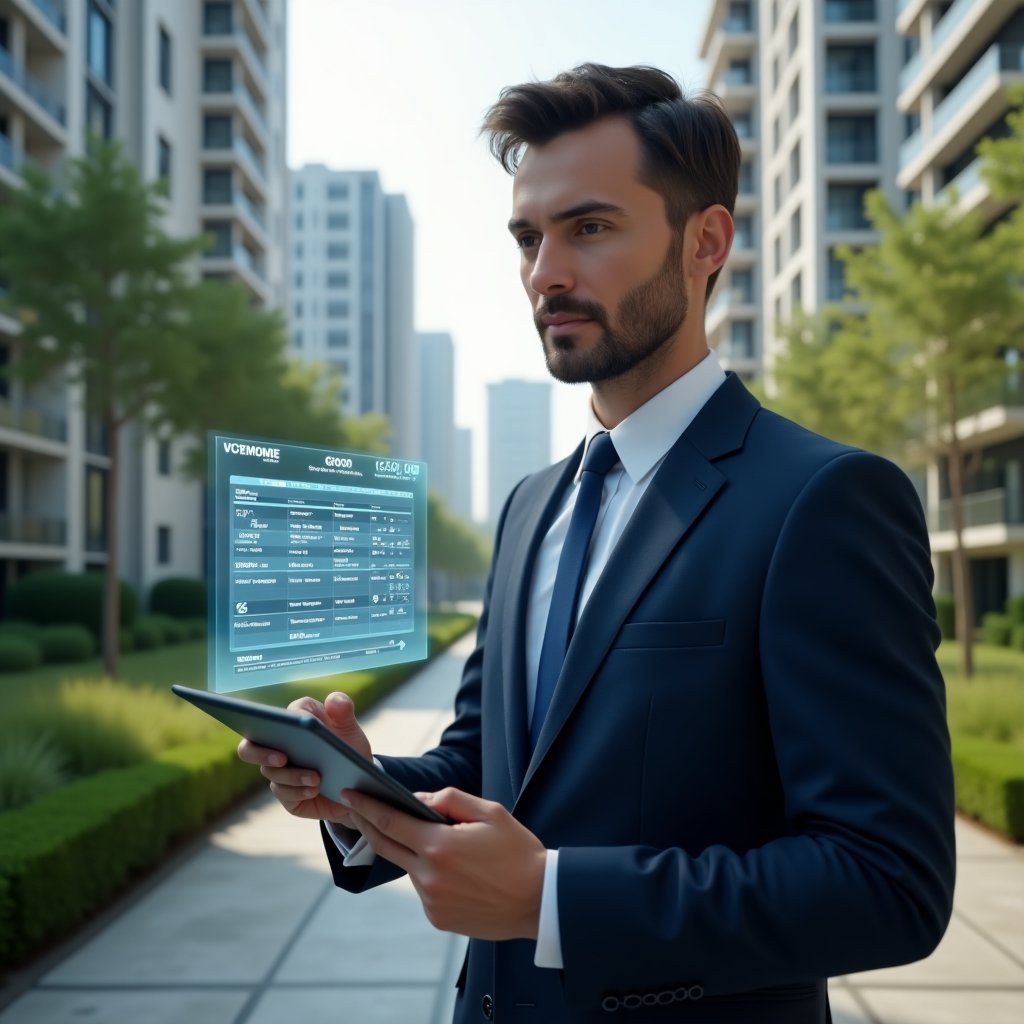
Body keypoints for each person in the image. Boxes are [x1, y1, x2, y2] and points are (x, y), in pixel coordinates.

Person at [239, 63, 955, 1023]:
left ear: (706, 242)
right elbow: (487, 767)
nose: (546, 274)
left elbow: (887, 880)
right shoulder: (531, 507)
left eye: (590, 228)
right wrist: (358, 787)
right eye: (529, 238)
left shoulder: (823, 501)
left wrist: (552, 900)